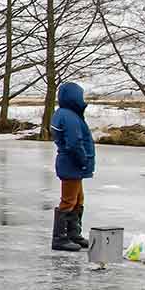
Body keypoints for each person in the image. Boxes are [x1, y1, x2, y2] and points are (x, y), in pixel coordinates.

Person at [49, 82, 95, 252]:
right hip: (71, 164)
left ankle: (74, 234)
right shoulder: (68, 116)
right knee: (68, 200)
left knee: (78, 199)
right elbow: (74, 142)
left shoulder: (68, 114)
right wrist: (83, 160)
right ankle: (60, 238)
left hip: (73, 165)